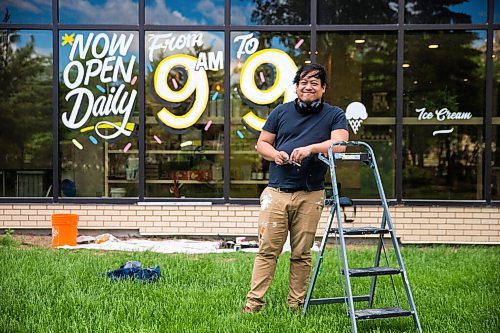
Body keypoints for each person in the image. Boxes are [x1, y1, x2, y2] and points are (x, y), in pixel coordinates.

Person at [242, 63, 349, 313]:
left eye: (314, 82)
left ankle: (296, 306)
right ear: (296, 87)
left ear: (323, 88)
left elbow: (341, 144)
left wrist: (311, 148)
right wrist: (275, 154)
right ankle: (253, 305)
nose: (308, 86)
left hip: (310, 194)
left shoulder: (334, 114)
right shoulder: (280, 112)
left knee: (301, 253)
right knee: (267, 251)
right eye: (303, 81)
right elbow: (262, 144)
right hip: (276, 193)